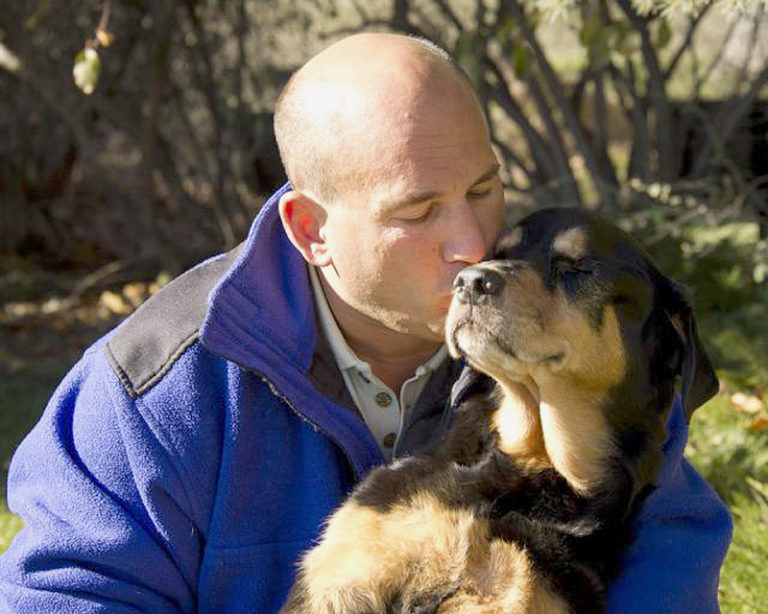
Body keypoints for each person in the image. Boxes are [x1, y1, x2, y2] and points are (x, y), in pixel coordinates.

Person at [0, 33, 731, 613]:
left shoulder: (543, 342)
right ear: (312, 229)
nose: (473, 245)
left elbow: (668, 548)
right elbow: (69, 594)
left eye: (484, 188)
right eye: (419, 212)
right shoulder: (159, 385)